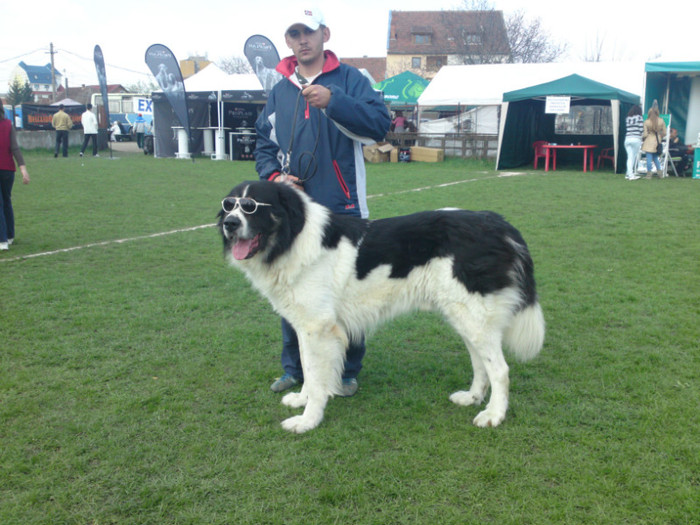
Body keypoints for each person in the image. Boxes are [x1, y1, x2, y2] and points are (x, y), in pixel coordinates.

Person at [254, 6, 391, 396]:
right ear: (287, 40)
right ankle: (294, 369)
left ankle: (347, 371)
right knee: (290, 289)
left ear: (324, 35)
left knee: (350, 293)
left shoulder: (350, 78)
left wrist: (333, 101)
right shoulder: (280, 89)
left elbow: (379, 124)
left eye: (308, 32)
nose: (302, 39)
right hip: (291, 215)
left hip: (342, 208)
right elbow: (265, 144)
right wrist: (275, 176)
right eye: (294, 33)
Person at [0, 100, 30, 251]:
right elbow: (15, 148)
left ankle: (2, 240)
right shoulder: (8, 124)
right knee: (6, 202)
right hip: (8, 170)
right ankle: (10, 236)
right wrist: (23, 169)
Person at [641, 105, 666, 177]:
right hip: (657, 140)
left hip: (649, 140)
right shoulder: (661, 121)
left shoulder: (646, 122)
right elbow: (664, 133)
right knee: (655, 158)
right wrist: (660, 136)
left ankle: (649, 173)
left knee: (649, 158)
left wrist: (643, 138)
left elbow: (645, 134)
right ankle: (660, 173)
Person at [624, 104, 643, 180]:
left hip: (627, 138)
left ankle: (628, 173)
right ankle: (630, 175)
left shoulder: (628, 118)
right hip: (636, 138)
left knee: (629, 157)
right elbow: (641, 129)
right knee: (633, 157)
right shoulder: (639, 118)